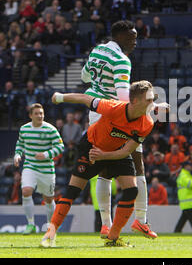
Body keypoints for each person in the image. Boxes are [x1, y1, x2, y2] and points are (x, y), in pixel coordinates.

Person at [41, 81, 157, 247]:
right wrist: (60, 97)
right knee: (73, 191)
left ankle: (113, 237)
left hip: (115, 152)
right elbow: (85, 98)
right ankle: (50, 231)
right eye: (149, 99)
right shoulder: (113, 107)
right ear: (135, 101)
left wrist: (105, 155)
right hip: (91, 147)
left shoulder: (147, 123)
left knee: (131, 191)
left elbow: (126, 151)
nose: (152, 104)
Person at [81, 20, 158, 240]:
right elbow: (125, 98)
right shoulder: (121, 59)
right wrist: (151, 106)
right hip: (117, 114)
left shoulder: (97, 51)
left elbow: (85, 77)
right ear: (121, 36)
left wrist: (100, 86)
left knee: (104, 170)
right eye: (132, 37)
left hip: (96, 112)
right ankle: (141, 221)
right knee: (137, 164)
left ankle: (106, 224)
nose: (135, 41)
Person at [14, 103, 64, 235]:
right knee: (26, 191)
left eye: (41, 113)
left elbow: (60, 147)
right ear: (30, 115)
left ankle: (50, 225)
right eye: (36, 113)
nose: (39, 115)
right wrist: (17, 155)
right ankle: (31, 224)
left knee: (48, 199)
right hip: (30, 166)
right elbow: (20, 144)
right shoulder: (24, 129)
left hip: (46, 169)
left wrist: (46, 154)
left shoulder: (50, 129)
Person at [174, 161, 192, 233]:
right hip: (186, 201)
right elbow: (191, 184)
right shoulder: (183, 175)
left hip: (187, 202)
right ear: (185, 167)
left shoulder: (188, 175)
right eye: (189, 165)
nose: (190, 167)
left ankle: (177, 231)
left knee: (184, 219)